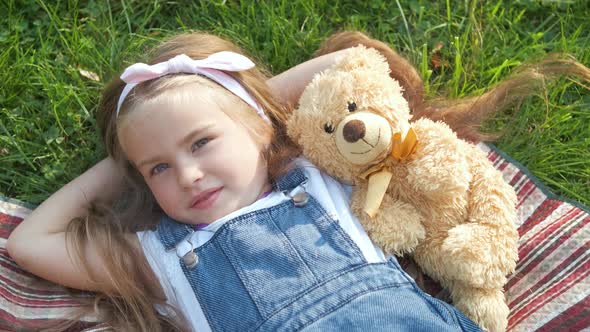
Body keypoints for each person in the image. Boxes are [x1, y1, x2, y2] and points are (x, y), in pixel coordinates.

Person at [8, 31, 587, 331]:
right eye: (158, 168)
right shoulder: (154, 257)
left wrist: (238, 100)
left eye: (201, 142)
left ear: (262, 127)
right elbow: (30, 242)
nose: (186, 174)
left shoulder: (326, 174)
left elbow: (353, 62)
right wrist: (132, 151)